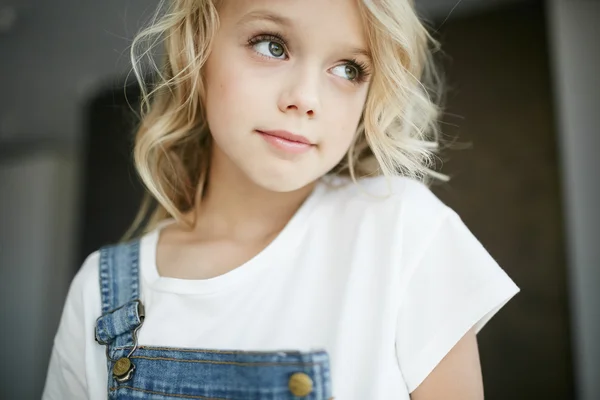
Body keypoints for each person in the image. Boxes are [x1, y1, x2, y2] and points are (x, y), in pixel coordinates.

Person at [42, 0, 520, 399]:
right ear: (197, 47)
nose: (305, 98)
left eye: (348, 69)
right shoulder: (100, 293)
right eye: (272, 46)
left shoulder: (403, 232)